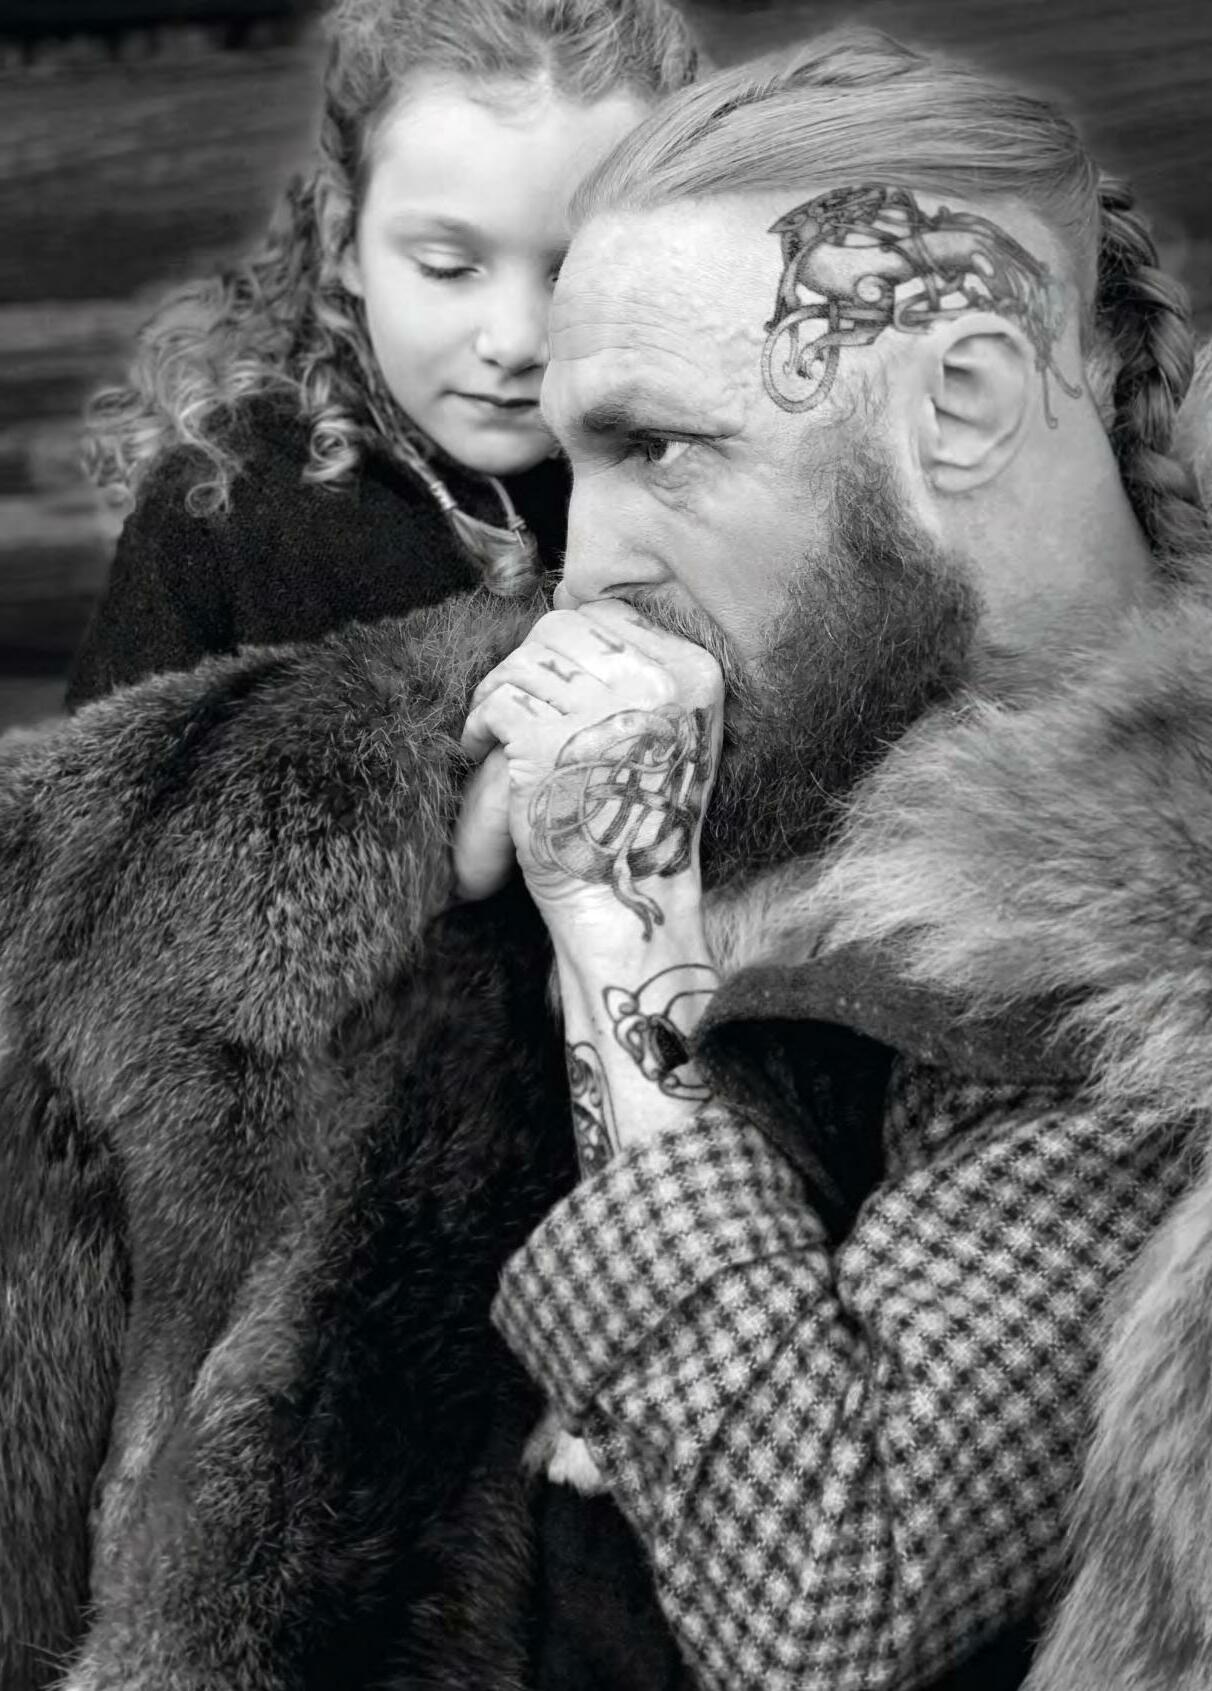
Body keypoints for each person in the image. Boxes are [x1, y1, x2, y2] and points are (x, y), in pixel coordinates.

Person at [3, 26, 1210, 1691]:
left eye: (657, 449)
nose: (583, 569)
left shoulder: (1146, 929)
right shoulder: (685, 675)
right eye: (570, 465)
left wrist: (619, 919)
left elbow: (821, 1601)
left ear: (963, 405)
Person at [65, 0, 700, 707]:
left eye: (575, 270)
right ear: (342, 237)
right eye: (446, 268)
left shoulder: (706, 479)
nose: (515, 341)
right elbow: (99, 777)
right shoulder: (223, 516)